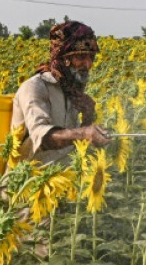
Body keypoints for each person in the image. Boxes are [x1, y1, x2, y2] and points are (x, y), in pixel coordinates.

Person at [11, 21, 111, 165]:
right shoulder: (35, 87)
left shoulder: (72, 91)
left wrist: (88, 119)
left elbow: (72, 145)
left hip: (62, 181)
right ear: (64, 58)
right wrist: (85, 134)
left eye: (91, 57)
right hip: (27, 182)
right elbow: (41, 137)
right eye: (81, 57)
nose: (88, 65)